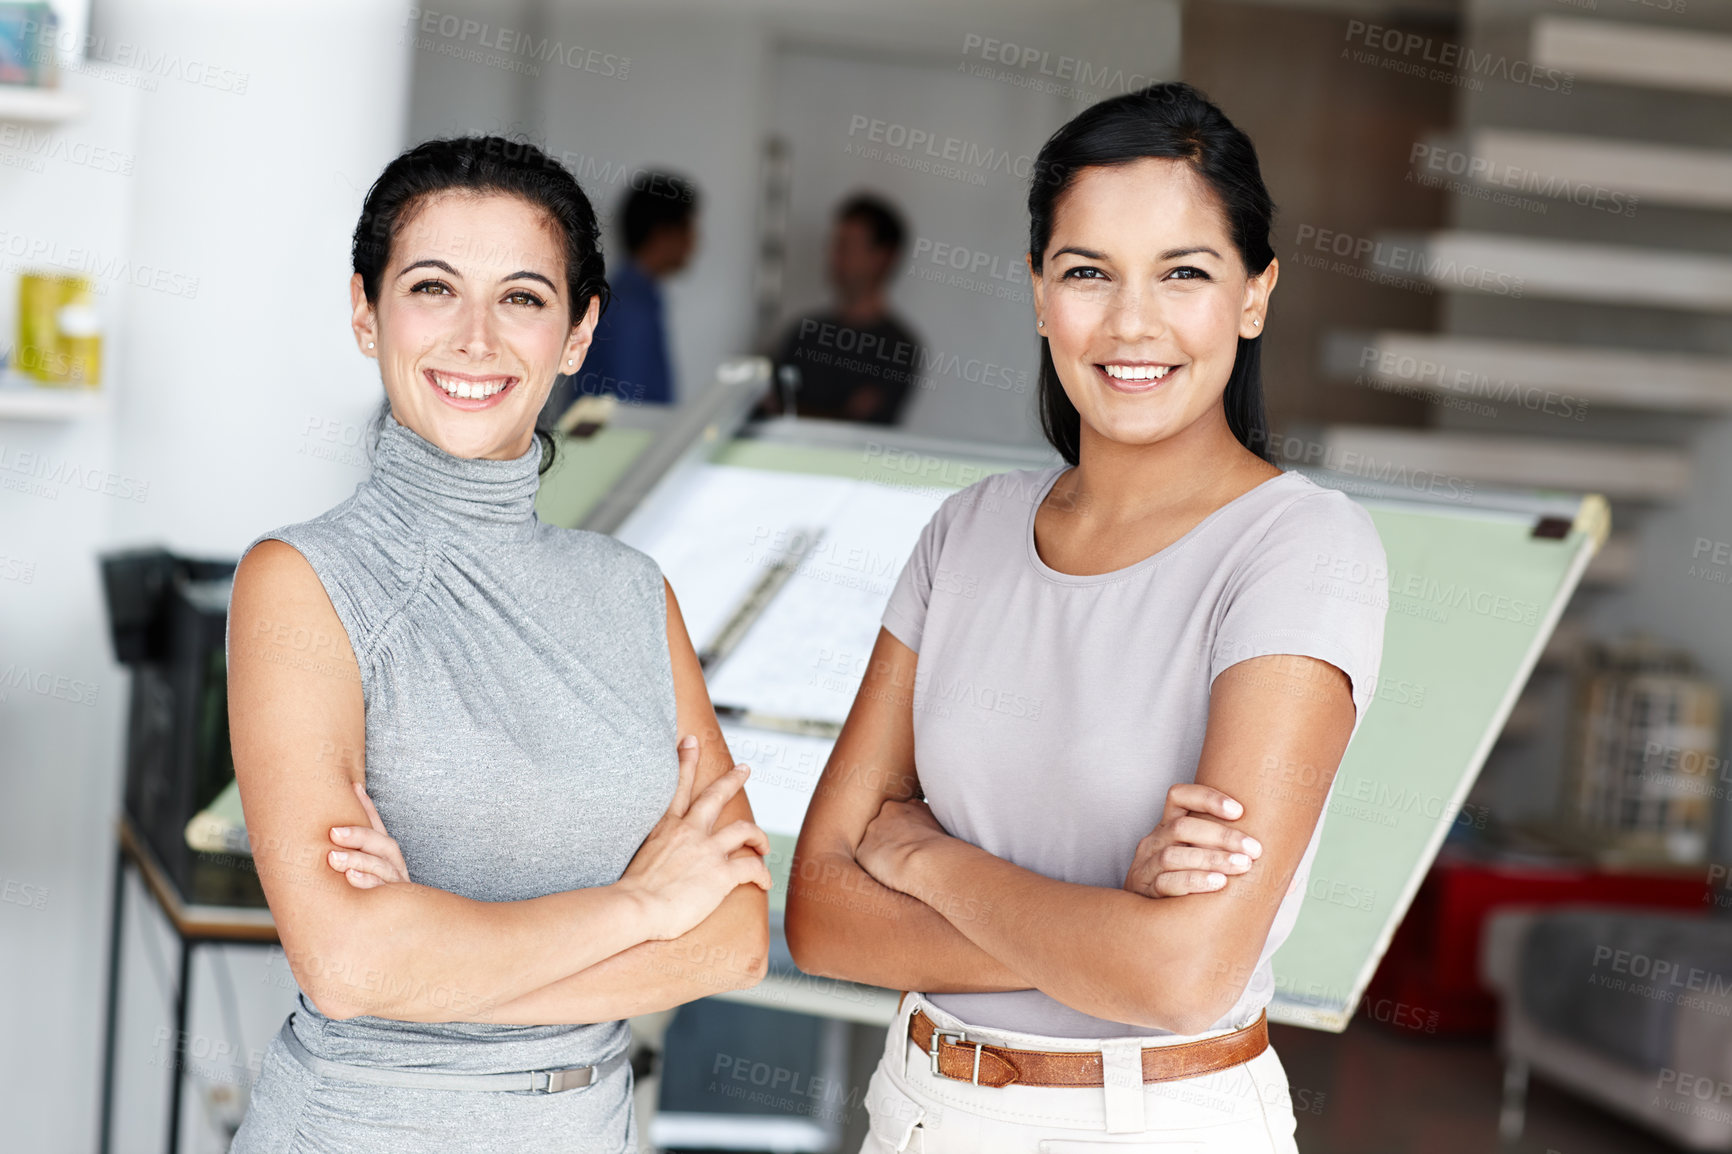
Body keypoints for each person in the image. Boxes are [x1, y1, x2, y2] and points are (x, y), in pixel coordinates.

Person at [785, 83, 1388, 1153]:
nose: (1129, 323)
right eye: (1086, 272)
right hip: (922, 1105)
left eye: (1184, 273)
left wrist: (925, 858)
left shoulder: (1301, 549)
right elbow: (822, 918)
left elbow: (1183, 973)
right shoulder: (967, 530)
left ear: (1254, 295)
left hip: (1147, 1118)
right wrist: (1114, 920)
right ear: (1037, 291)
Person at [226, 137, 771, 1154]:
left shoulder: (632, 594)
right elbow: (346, 964)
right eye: (433, 287)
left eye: (522, 296)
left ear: (577, 332)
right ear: (365, 310)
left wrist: (432, 952)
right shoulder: (300, 581)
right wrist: (644, 902)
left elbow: (735, 938)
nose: (476, 338)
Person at [767, 193, 922, 425]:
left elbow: (860, 425)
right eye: (833, 245)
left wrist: (794, 412)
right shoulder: (805, 332)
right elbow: (767, 407)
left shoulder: (897, 348)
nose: (833, 257)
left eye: (846, 246)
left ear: (883, 257)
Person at [557, 172, 697, 411]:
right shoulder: (631, 306)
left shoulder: (632, 295)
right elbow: (629, 404)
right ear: (663, 234)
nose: (694, 240)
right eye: (688, 228)